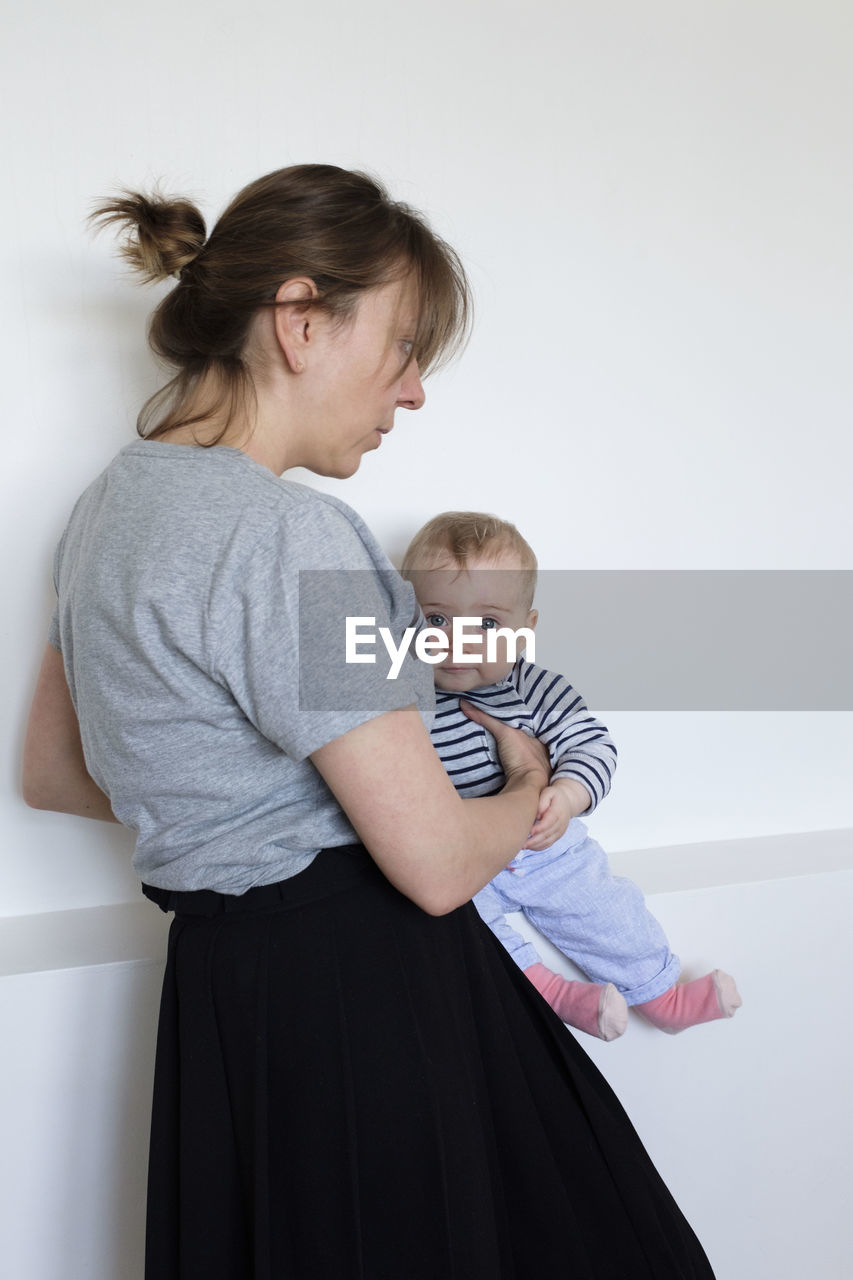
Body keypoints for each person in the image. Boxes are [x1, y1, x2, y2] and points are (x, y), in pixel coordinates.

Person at [22, 165, 717, 1278]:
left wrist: (225, 792)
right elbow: (437, 861)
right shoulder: (297, 537)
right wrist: (526, 786)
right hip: (371, 995)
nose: (414, 392)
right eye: (403, 349)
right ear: (300, 321)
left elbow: (56, 770)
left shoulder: (103, 509)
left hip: (225, 1000)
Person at [401, 511, 742, 1042]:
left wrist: (566, 795)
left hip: (545, 849)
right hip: (461, 859)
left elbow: (592, 746)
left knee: (608, 908)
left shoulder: (537, 688)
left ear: (524, 631)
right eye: (437, 619)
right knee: (457, 929)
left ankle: (662, 996)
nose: (459, 639)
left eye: (488, 624)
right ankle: (556, 996)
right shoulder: (400, 694)